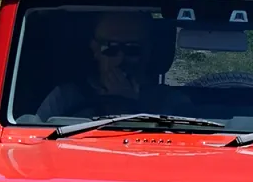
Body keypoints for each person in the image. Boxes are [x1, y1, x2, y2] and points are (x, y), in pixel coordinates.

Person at [36, 10, 187, 120]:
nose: (121, 59)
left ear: (148, 51)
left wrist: (129, 106)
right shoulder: (65, 98)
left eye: (132, 49)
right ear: (95, 49)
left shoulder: (170, 103)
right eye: (111, 48)